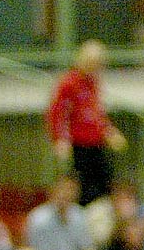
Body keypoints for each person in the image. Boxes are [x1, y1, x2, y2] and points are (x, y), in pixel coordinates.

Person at [46, 40, 125, 205]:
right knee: (83, 187)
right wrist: (60, 139)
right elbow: (57, 113)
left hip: (95, 142)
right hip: (79, 144)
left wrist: (109, 131)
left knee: (105, 182)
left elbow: (97, 113)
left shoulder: (93, 84)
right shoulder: (69, 83)